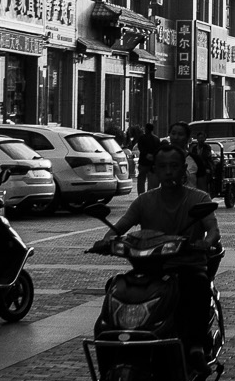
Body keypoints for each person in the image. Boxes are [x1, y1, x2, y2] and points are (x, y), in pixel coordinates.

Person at [89, 147, 220, 361]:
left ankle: (196, 345)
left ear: (184, 169)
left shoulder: (198, 198)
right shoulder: (144, 201)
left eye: (174, 166)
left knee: (198, 284)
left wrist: (205, 243)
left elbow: (213, 229)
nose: (168, 172)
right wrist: (105, 241)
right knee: (116, 286)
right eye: (163, 167)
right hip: (149, 267)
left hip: (186, 266)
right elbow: (120, 227)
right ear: (155, 171)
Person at [135, 121, 160, 192]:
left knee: (141, 180)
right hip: (152, 163)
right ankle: (150, 194)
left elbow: (140, 148)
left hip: (143, 162)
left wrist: (146, 154)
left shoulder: (142, 138)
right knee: (151, 182)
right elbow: (158, 150)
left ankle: (141, 194)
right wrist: (153, 156)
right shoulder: (156, 139)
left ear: (146, 129)